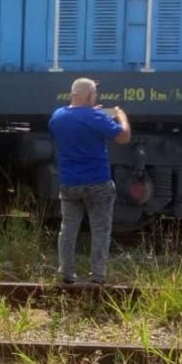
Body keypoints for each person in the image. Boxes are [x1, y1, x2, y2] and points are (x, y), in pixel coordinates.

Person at [49, 77, 132, 285]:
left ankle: (66, 274)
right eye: (94, 94)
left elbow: (76, 123)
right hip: (97, 182)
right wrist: (120, 116)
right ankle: (97, 276)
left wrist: (91, 112)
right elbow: (123, 137)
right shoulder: (95, 116)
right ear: (89, 96)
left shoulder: (57, 116)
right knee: (100, 230)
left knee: (68, 228)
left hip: (69, 184)